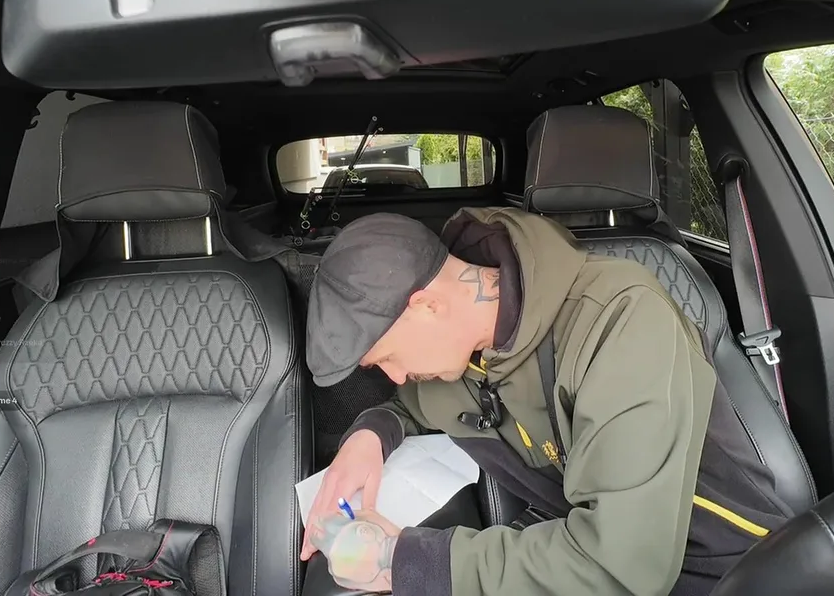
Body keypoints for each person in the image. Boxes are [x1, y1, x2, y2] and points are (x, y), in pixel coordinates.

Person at [300, 208, 790, 596]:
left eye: (388, 357)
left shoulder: (621, 321)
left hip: (726, 569)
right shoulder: (459, 351)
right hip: (572, 554)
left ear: (426, 305)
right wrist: (370, 435)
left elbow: (621, 566)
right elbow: (413, 402)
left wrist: (399, 560)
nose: (395, 376)